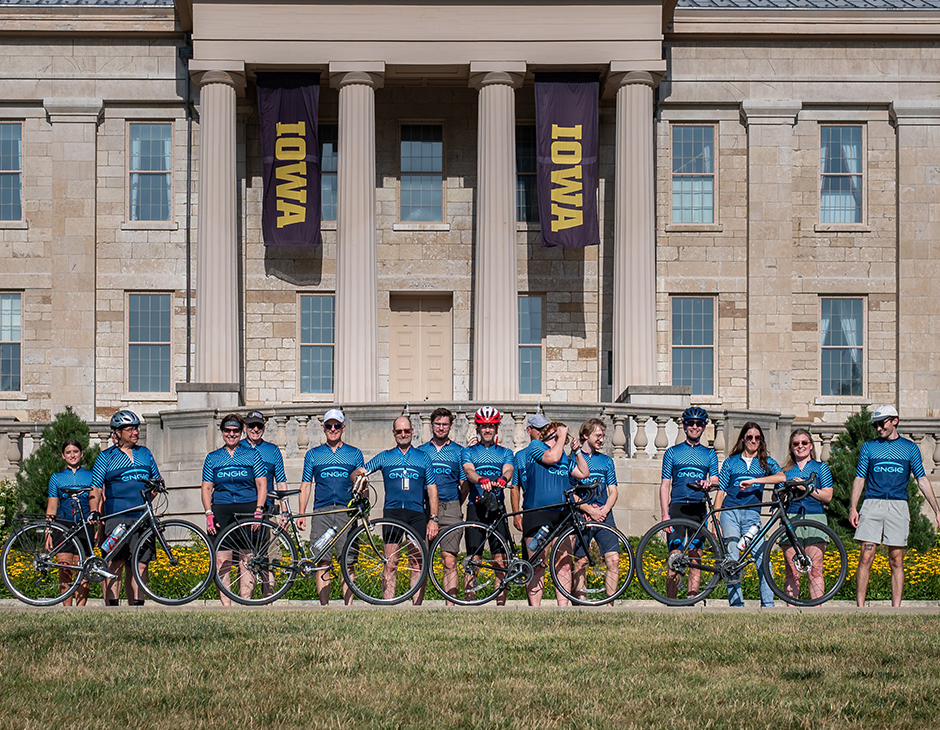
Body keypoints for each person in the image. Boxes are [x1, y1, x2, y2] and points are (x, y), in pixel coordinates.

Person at [850, 405, 940, 608]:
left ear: (894, 421)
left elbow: (922, 480)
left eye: (882, 424)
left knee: (896, 559)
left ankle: (896, 610)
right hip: (872, 503)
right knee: (866, 556)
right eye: (876, 425)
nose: (878, 429)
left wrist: (937, 510)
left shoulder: (910, 448)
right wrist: (853, 508)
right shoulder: (869, 446)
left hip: (898, 506)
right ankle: (860, 608)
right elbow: (859, 478)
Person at [353, 416, 439, 604]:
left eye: (406, 431)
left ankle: (416, 607)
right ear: (393, 433)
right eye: (399, 431)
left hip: (416, 513)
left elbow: (432, 489)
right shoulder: (385, 456)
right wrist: (358, 481)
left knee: (417, 562)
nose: (403, 434)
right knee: (390, 562)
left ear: (412, 432)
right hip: (392, 513)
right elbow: (360, 472)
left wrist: (433, 518)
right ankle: (388, 604)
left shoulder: (423, 457)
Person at [90, 410, 163, 607]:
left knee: (140, 565)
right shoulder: (106, 457)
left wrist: (150, 495)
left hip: (142, 518)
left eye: (136, 428)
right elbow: (96, 488)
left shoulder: (144, 453)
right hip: (117, 517)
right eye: (130, 429)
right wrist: (94, 510)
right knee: (115, 564)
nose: (135, 432)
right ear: (117, 432)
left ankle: (137, 608)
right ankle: (113, 609)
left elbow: (157, 481)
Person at [517, 420, 590, 606]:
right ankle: (535, 609)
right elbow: (551, 458)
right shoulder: (536, 447)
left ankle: (562, 608)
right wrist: (562, 435)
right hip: (538, 512)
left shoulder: (563, 456)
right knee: (537, 564)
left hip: (562, 514)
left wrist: (577, 452)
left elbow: (583, 473)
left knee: (564, 563)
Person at [297, 408, 365, 605]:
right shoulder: (313, 454)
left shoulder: (354, 453)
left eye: (336, 425)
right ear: (323, 428)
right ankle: (324, 607)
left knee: (348, 562)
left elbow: (361, 481)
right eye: (329, 426)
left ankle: (348, 607)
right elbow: (306, 484)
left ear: (343, 428)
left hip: (347, 511)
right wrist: (302, 513)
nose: (333, 429)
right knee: (322, 562)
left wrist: (364, 508)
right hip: (322, 512)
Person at [714, 421, 784, 608]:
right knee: (732, 559)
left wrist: (755, 481)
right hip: (729, 513)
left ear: (761, 441)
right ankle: (736, 605)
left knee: (763, 559)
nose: (753, 441)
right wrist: (715, 522)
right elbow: (721, 492)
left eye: (757, 438)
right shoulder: (730, 461)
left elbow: (782, 477)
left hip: (753, 515)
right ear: (743, 439)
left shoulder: (766, 462)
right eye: (750, 437)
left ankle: (767, 604)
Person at [201, 413, 268, 606]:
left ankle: (245, 603)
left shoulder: (252, 454)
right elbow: (206, 487)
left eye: (236, 431)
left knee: (247, 559)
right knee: (223, 560)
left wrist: (259, 510)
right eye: (228, 431)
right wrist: (208, 513)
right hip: (221, 509)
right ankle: (227, 607)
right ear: (222, 432)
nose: (232, 434)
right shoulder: (213, 457)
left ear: (242, 431)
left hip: (247, 507)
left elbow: (261, 484)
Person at [659, 407, 720, 600]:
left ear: (703, 427)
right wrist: (664, 514)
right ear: (684, 426)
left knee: (695, 555)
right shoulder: (672, 452)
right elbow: (664, 484)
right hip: (677, 507)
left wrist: (709, 483)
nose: (695, 427)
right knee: (675, 555)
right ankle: (671, 602)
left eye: (699, 424)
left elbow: (716, 480)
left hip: (698, 507)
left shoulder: (709, 454)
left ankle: (692, 600)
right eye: (690, 423)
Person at [461, 406, 514, 605]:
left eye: (491, 426)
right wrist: (480, 479)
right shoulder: (469, 452)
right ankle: (470, 603)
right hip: (476, 507)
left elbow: (508, 469)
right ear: (478, 429)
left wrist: (502, 478)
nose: (487, 430)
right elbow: (469, 471)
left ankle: (500, 604)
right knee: (473, 560)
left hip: (497, 509)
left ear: (497, 428)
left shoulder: (506, 452)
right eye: (484, 426)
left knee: (500, 560)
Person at [417, 407, 467, 606]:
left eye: (445, 424)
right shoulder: (421, 451)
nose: (441, 428)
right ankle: (416, 607)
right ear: (431, 425)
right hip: (423, 509)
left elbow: (464, 485)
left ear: (451, 426)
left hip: (451, 507)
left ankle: (451, 606)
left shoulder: (459, 452)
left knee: (449, 559)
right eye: (437, 424)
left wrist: (454, 504)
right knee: (419, 560)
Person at [781, 428, 834, 604]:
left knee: (815, 569)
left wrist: (806, 488)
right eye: (796, 443)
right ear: (791, 447)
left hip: (815, 516)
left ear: (811, 446)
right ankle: (791, 609)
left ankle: (816, 609)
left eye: (804, 443)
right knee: (792, 570)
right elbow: (777, 496)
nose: (800, 446)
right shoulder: (786, 471)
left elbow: (827, 496)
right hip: (791, 517)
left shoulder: (821, 468)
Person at [570, 418, 620, 601]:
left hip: (604, 515)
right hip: (582, 514)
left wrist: (604, 510)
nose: (602, 439)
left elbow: (613, 491)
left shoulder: (606, 461)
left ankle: (609, 605)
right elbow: (569, 493)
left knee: (613, 560)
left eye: (603, 436)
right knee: (581, 561)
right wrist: (589, 510)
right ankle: (581, 603)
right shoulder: (572, 460)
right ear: (585, 435)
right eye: (598, 435)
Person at [45, 439, 93, 606]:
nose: (72, 455)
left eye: (75, 452)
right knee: (65, 567)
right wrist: (48, 531)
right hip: (63, 525)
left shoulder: (91, 475)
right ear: (63, 456)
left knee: (84, 567)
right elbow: (52, 506)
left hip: (85, 525)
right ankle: (67, 610)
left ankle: (80, 610)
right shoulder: (56, 477)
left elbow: (98, 501)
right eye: (68, 452)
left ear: (81, 453)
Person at [239, 410, 287, 513]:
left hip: (266, 507)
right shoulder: (237, 448)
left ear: (264, 428)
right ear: (244, 427)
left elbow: (281, 482)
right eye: (251, 425)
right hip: (242, 506)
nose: (255, 429)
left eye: (259, 426)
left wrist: (285, 511)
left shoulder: (272, 450)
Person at [510, 413, 550, 523]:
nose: (543, 433)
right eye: (539, 429)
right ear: (529, 431)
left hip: (552, 508)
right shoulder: (520, 456)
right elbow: (515, 486)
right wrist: (516, 515)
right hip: (530, 509)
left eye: (545, 429)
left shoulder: (552, 455)